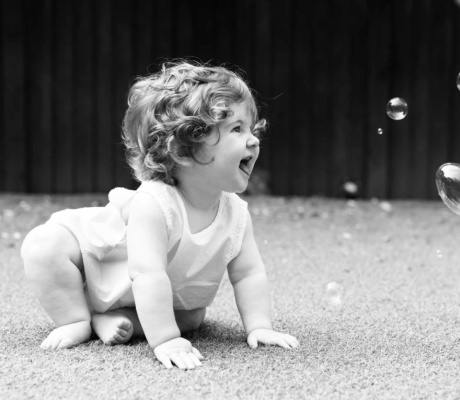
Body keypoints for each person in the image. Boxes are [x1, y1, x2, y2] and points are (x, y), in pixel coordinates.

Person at [20, 60, 299, 370]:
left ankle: (114, 319)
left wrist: (259, 326)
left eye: (250, 127)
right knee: (43, 246)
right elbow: (147, 273)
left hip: (139, 295)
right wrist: (166, 338)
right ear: (184, 151)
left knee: (192, 318)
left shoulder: (236, 213)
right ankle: (76, 319)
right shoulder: (154, 204)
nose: (253, 139)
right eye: (236, 129)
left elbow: (248, 273)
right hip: (95, 266)